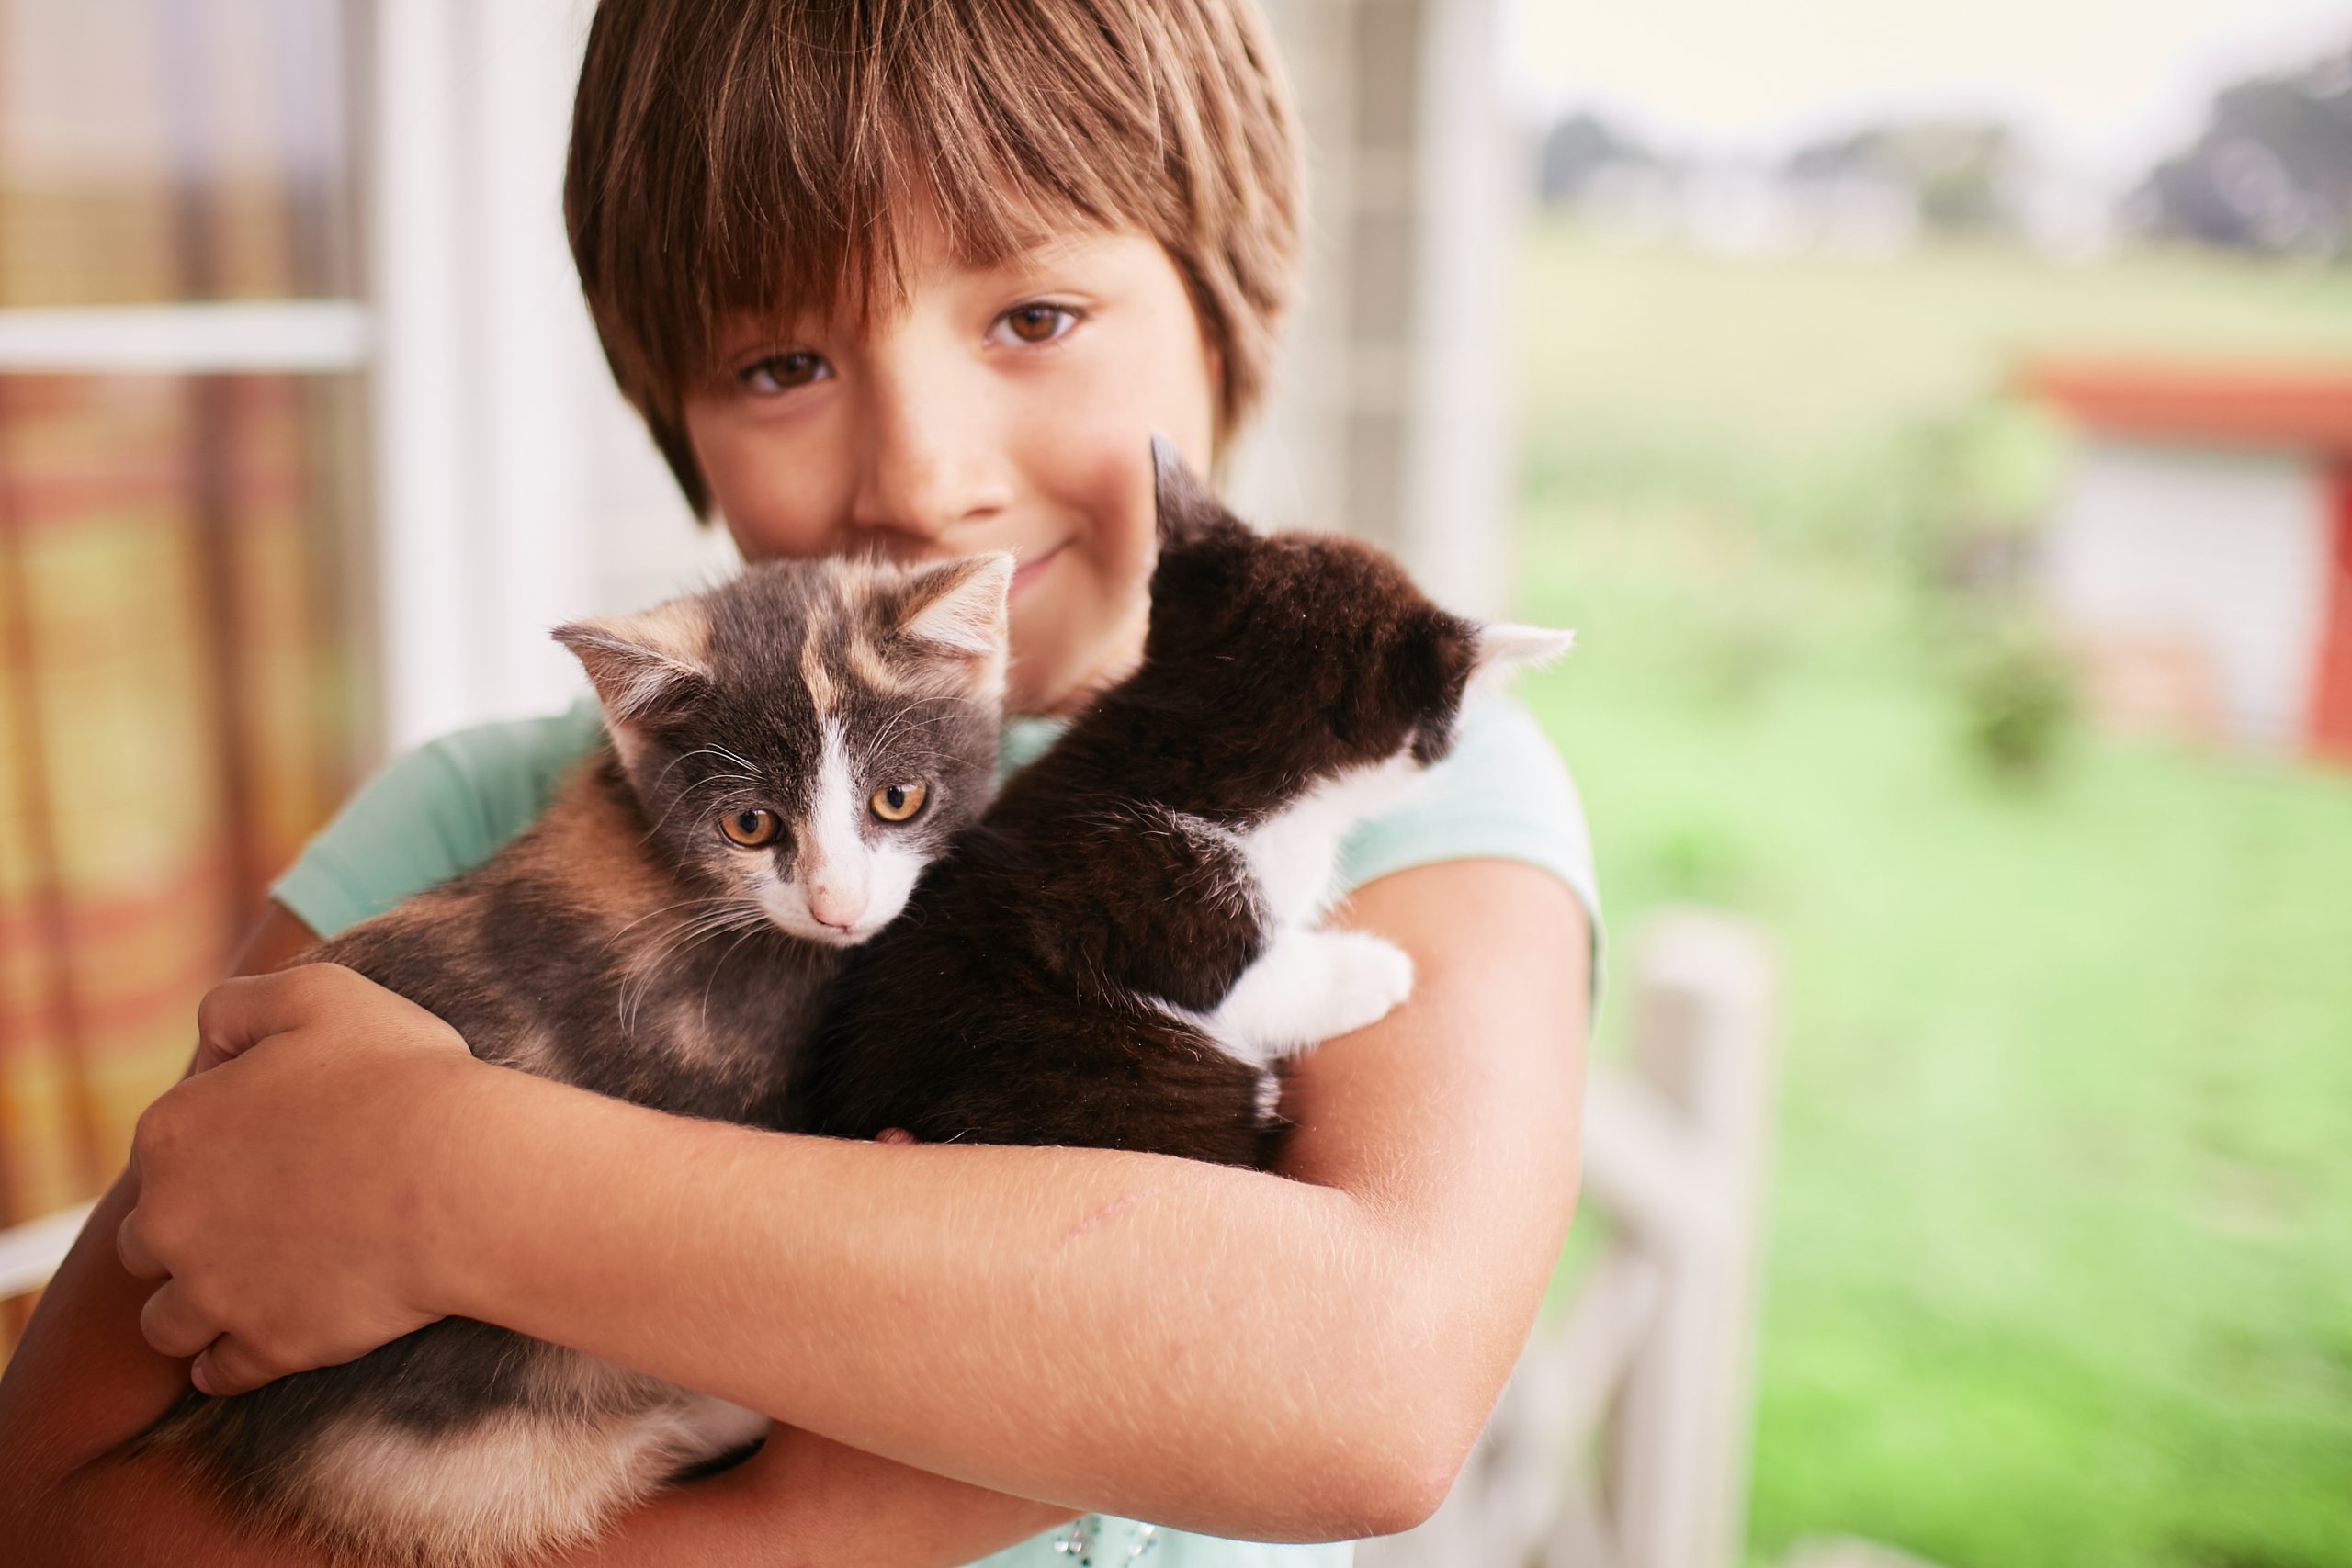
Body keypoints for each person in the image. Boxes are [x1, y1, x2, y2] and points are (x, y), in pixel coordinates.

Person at [0, 1, 1598, 1562]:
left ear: (1228, 299)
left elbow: (1369, 1392)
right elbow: (50, 1505)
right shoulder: (461, 824)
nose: (920, 474)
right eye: (780, 362)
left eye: (1033, 318)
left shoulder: (1399, 800)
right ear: (670, 410)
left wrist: (440, 1182)